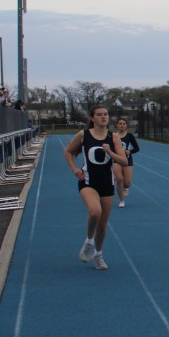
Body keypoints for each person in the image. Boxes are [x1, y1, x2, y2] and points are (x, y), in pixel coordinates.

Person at [63, 105, 127, 270]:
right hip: (88, 181)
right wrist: (74, 169)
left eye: (105, 114)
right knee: (94, 211)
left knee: (102, 226)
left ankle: (98, 255)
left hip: (107, 183)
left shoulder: (113, 137)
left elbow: (124, 161)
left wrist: (110, 153)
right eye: (99, 114)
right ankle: (89, 242)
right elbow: (68, 151)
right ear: (92, 118)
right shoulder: (83, 135)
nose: (103, 117)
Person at [112, 117, 140, 208]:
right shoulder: (112, 135)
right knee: (119, 179)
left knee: (127, 183)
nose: (122, 125)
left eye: (124, 124)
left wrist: (129, 151)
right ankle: (121, 200)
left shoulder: (129, 136)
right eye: (120, 123)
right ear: (116, 125)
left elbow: (137, 148)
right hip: (116, 159)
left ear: (126, 125)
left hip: (127, 159)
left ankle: (126, 187)